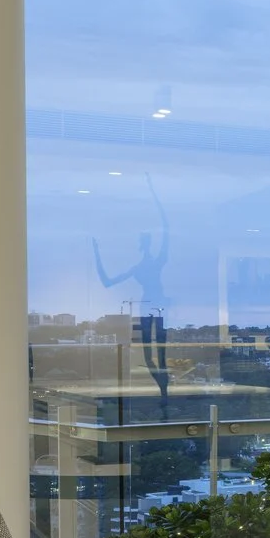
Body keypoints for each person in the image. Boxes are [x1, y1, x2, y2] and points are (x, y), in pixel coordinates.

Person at [93, 174, 171, 409]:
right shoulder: (141, 266)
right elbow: (107, 281)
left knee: (159, 356)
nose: (144, 241)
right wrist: (95, 251)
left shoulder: (153, 262)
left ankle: (164, 393)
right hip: (149, 307)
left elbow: (166, 230)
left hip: (156, 306)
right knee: (150, 356)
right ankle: (163, 392)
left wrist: (154, 192)